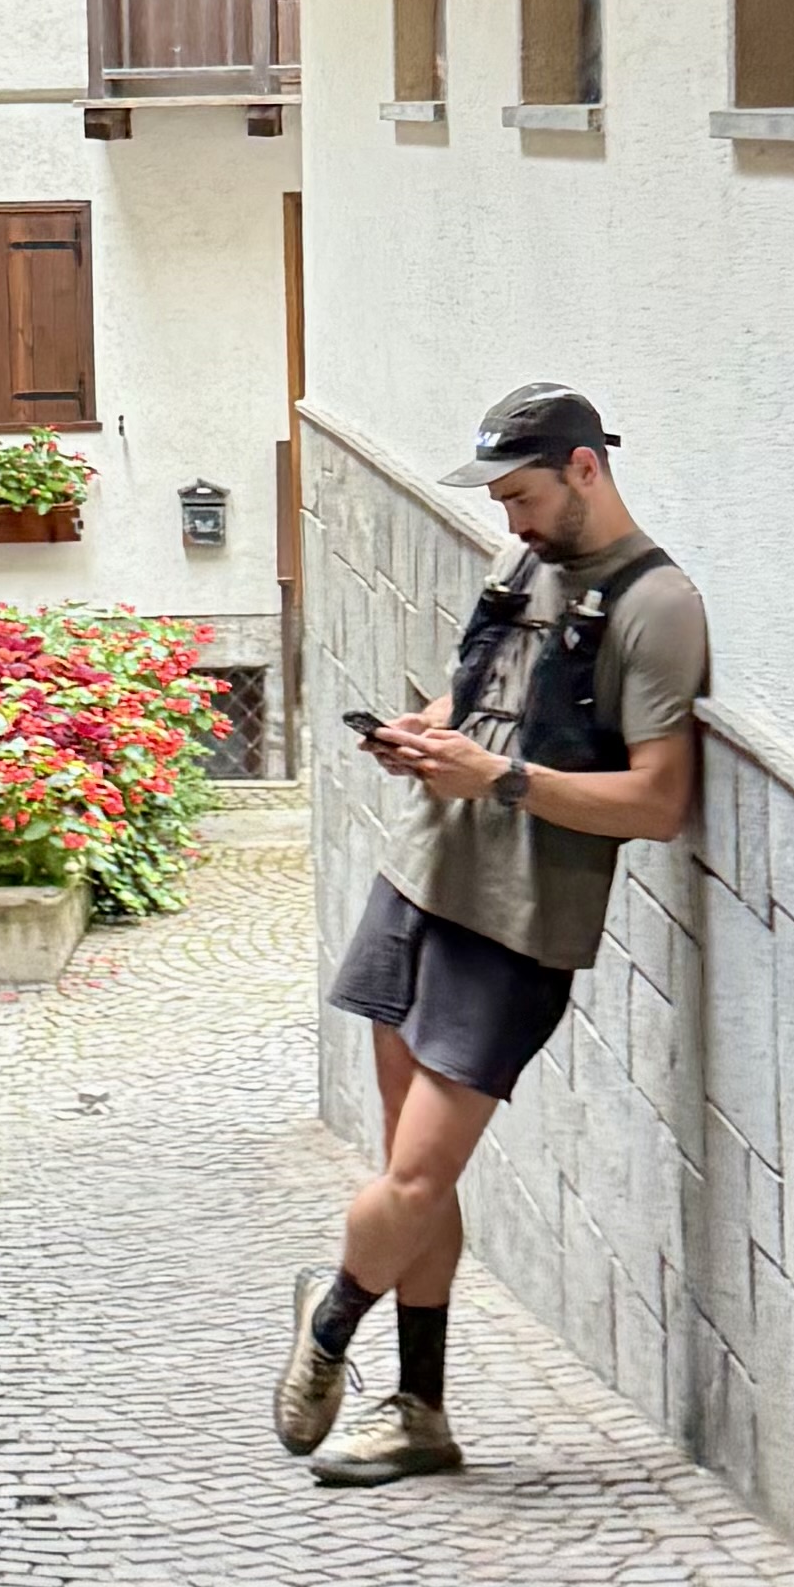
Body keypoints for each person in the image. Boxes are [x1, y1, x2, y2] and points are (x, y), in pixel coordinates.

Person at [278, 384, 711, 1487]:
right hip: (420, 879)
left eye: (521, 496)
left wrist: (502, 780)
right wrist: (423, 737)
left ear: (583, 470)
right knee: (407, 1175)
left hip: (516, 925)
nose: (509, 519)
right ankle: (420, 1414)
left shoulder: (659, 608)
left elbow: (660, 802)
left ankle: (329, 1322)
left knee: (418, 1176)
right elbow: (481, 703)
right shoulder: (524, 561)